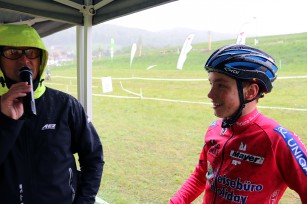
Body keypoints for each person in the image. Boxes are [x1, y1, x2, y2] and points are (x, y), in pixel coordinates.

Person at [169, 44, 307, 203]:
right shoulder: (215, 129)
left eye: (221, 85)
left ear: (251, 92)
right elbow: (200, 177)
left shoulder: (277, 140)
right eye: (211, 84)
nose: (210, 94)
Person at [0, 24, 104, 203]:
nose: (24, 61)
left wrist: (84, 201)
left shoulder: (66, 105)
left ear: (41, 60)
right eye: (13, 52)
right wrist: (5, 123)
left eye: (32, 53)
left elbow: (93, 157)